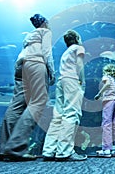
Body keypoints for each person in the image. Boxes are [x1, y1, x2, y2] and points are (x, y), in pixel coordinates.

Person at [0, 14, 55, 162]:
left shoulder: (29, 36)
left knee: (17, 104)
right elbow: (47, 53)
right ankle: (16, 148)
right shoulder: (45, 32)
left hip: (20, 65)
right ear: (45, 22)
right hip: (35, 63)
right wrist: (52, 73)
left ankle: (4, 148)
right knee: (39, 101)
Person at [42, 30, 87, 161]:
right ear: (77, 38)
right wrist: (82, 81)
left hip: (61, 81)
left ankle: (49, 150)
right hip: (72, 80)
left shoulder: (65, 52)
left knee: (58, 116)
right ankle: (64, 151)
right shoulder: (79, 48)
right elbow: (79, 64)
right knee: (71, 114)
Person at [94, 64, 115, 158]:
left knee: (106, 124)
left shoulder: (106, 77)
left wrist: (99, 94)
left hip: (108, 101)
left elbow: (107, 84)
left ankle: (107, 149)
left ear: (106, 71)